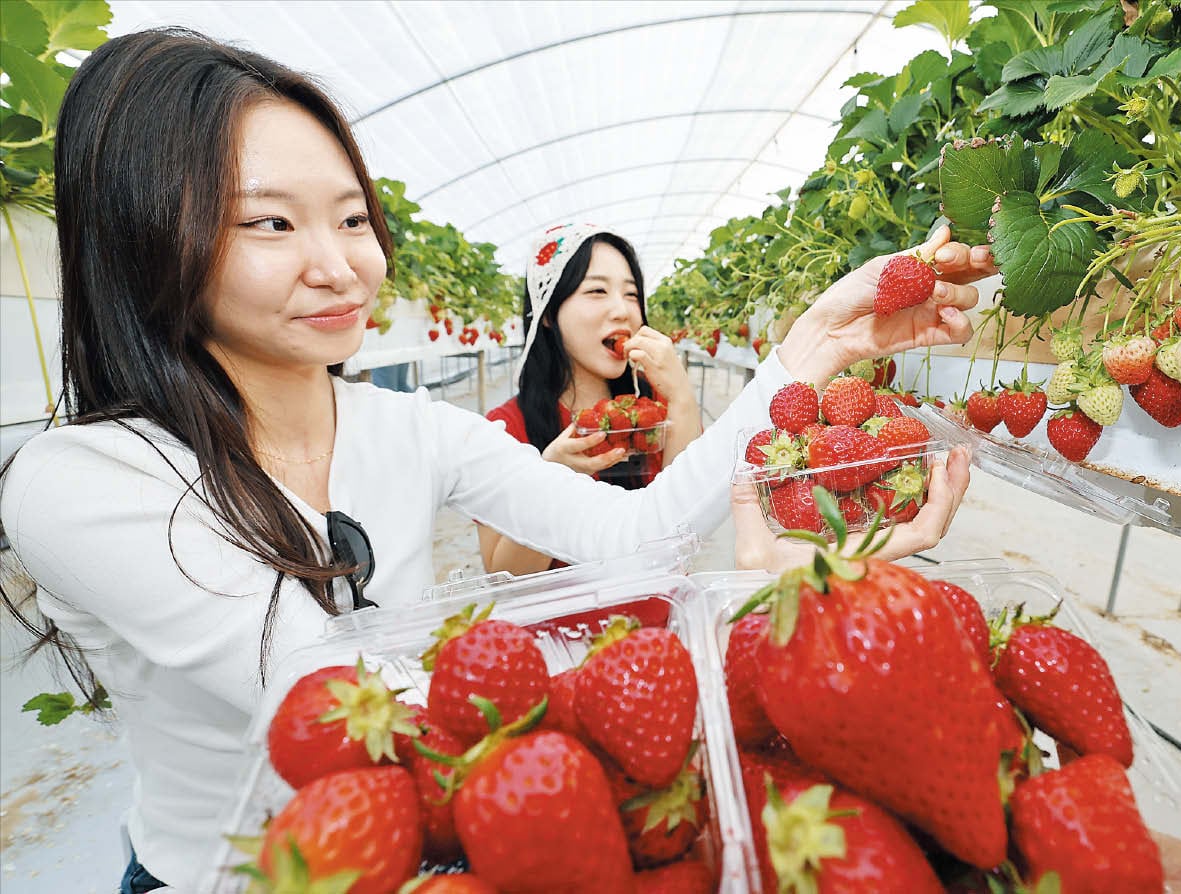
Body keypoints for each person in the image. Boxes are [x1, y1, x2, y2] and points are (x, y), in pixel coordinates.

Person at [0, 28, 992, 893]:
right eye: (271, 222)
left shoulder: (406, 429)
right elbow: (336, 696)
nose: (340, 263)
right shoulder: (83, 481)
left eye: (351, 218)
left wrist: (818, 343)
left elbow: (635, 533)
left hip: (441, 846)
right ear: (146, 239)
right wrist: (751, 625)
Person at [479, 225, 701, 575]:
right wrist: (552, 476)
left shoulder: (652, 405)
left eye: (631, 294)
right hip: (560, 628)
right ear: (549, 313)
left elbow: (688, 524)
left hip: (657, 619)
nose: (622, 311)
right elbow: (504, 579)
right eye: (597, 290)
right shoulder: (505, 428)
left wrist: (682, 395)